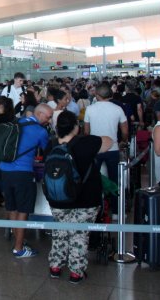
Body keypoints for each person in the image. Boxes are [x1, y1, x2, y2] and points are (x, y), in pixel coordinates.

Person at [48, 111, 113, 284]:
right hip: (86, 198)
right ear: (76, 127)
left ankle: (55, 265)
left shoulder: (51, 144)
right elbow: (109, 141)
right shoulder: (87, 143)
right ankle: (76, 271)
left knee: (59, 231)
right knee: (79, 234)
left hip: (57, 198)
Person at [0, 104, 52, 258]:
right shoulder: (40, 131)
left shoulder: (17, 123)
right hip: (23, 173)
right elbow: (46, 149)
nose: (49, 120)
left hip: (4, 170)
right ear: (40, 114)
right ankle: (19, 248)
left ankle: (19, 240)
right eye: (48, 117)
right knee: (23, 210)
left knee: (12, 207)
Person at [83, 83, 128, 217]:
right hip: (113, 148)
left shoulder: (90, 109)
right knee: (114, 180)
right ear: (110, 94)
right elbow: (125, 129)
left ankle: (96, 210)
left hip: (95, 149)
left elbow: (86, 131)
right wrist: (123, 142)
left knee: (93, 179)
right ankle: (116, 211)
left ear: (96, 95)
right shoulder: (117, 109)